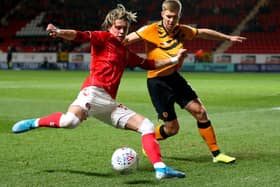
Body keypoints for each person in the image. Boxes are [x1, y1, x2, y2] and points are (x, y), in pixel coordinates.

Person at [11, 4, 187, 180]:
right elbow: (79, 35)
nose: (121, 31)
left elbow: (148, 64)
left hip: (109, 103)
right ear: (109, 27)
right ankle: (34, 122)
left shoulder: (125, 52)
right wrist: (59, 32)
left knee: (147, 126)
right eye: (118, 27)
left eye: (124, 29)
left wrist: (173, 59)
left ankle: (161, 169)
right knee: (69, 121)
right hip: (93, 92)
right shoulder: (103, 38)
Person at [124, 0, 247, 163]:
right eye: (168, 16)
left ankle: (217, 154)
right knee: (172, 129)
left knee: (200, 112)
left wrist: (227, 37)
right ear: (162, 14)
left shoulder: (182, 31)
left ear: (179, 16)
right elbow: (124, 41)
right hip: (157, 83)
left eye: (174, 17)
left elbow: (203, 32)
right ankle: (149, 140)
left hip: (174, 79)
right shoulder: (150, 30)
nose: (170, 20)